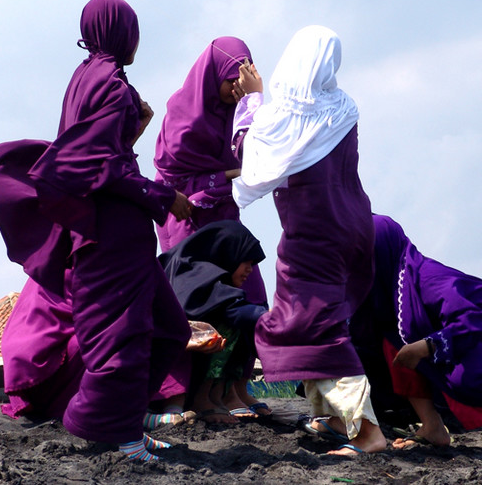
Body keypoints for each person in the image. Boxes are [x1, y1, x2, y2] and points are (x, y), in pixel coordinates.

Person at [0, 0, 192, 462]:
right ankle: (112, 432)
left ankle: (122, 420)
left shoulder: (82, 78)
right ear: (122, 33)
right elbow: (104, 166)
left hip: (101, 227)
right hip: (114, 231)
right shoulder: (111, 84)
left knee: (170, 329)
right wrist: (163, 196)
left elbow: (92, 156)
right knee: (127, 337)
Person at [230, 25, 387, 455]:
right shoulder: (343, 108)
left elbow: (252, 157)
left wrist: (252, 99)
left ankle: (369, 434)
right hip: (354, 224)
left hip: (315, 235)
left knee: (316, 326)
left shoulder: (285, 114)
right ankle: (334, 419)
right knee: (314, 320)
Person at [350, 214, 482, 456]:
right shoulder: (386, 297)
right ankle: (432, 426)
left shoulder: (428, 278)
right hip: (472, 336)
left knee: (467, 377)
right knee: (392, 343)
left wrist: (426, 347)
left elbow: (469, 319)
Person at [151, 37, 271, 423]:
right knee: (198, 305)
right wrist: (232, 174)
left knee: (248, 295)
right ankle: (185, 395)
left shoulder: (236, 114)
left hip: (223, 222)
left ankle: (234, 388)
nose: (237, 88)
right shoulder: (183, 117)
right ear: (212, 76)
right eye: (231, 80)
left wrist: (254, 102)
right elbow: (177, 181)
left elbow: (260, 152)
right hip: (187, 223)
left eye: (244, 79)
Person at [153, 220, 269, 424]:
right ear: (228, 253)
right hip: (160, 369)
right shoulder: (193, 276)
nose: (250, 270)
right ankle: (198, 399)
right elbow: (234, 311)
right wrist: (280, 319)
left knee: (239, 322)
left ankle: (214, 396)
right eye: (247, 262)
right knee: (225, 324)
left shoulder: (212, 278)